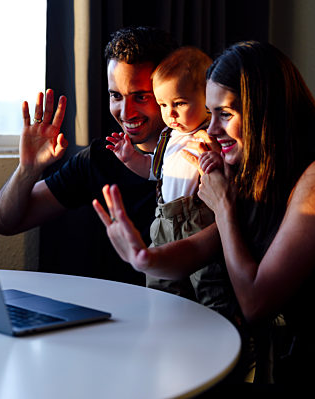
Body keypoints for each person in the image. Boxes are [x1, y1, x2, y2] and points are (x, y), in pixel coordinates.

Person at [93, 41, 315, 391]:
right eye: (210, 112)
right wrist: (142, 255)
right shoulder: (261, 179)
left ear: (266, 113)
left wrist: (225, 209)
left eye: (225, 114)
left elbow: (256, 303)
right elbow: (195, 252)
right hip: (301, 368)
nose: (212, 130)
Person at [0, 26, 177, 286]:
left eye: (141, 96)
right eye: (116, 96)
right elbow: (1, 223)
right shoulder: (99, 159)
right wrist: (27, 169)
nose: (126, 112)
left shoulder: (194, 159)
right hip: (105, 313)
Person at [106, 46, 240, 322]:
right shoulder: (168, 138)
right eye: (163, 105)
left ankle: (219, 329)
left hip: (198, 221)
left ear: (206, 98)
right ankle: (164, 327)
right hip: (164, 221)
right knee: (160, 286)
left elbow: (229, 176)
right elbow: (153, 171)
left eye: (179, 103)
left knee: (209, 284)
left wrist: (214, 160)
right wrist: (130, 157)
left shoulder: (209, 135)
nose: (171, 114)